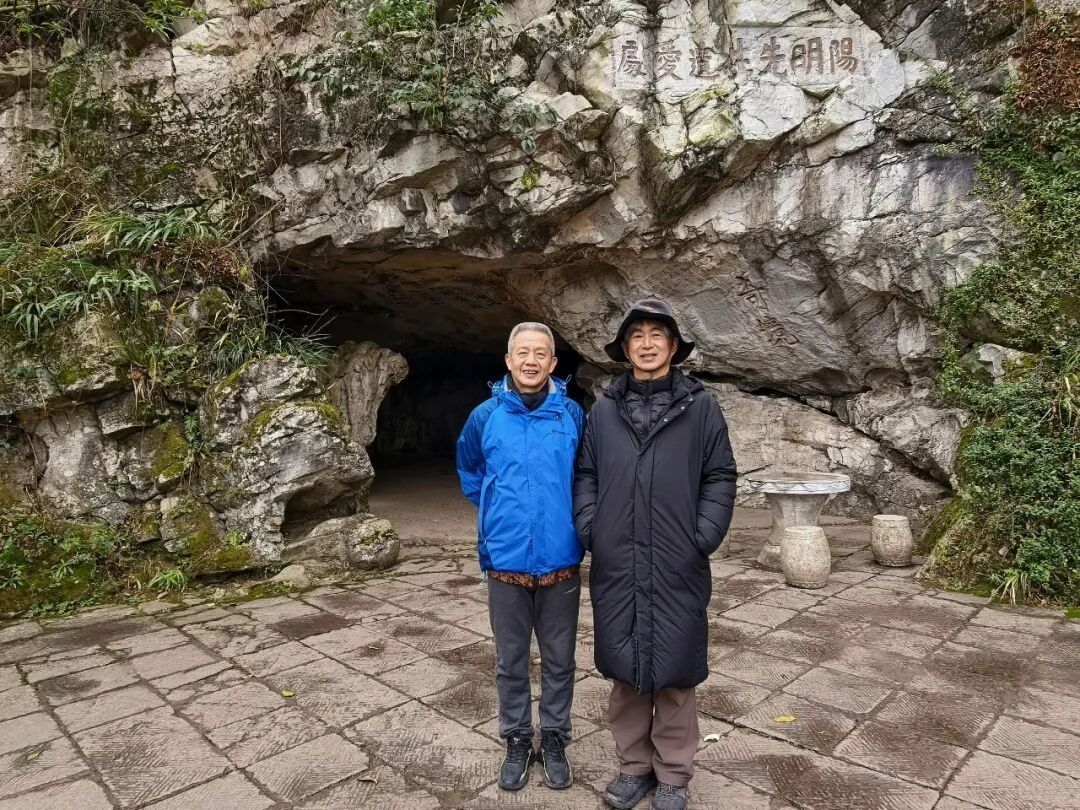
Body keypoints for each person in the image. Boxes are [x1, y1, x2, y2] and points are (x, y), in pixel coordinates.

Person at [574, 299, 737, 810]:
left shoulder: (700, 408)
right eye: (637, 335)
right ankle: (633, 767)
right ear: (625, 349)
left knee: (675, 671)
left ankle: (673, 774)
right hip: (618, 559)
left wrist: (703, 534)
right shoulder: (604, 410)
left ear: (673, 346)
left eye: (656, 334)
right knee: (625, 670)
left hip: (676, 560)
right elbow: (586, 475)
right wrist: (591, 528)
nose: (646, 344)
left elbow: (720, 475)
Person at [456, 322, 586, 791]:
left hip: (561, 559)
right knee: (510, 660)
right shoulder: (485, 416)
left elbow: (586, 476)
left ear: (553, 363)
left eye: (541, 353)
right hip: (505, 560)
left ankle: (553, 737)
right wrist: (498, 513)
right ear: (508, 360)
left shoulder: (571, 414)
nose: (532, 361)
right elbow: (470, 470)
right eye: (523, 353)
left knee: (560, 660)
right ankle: (515, 737)